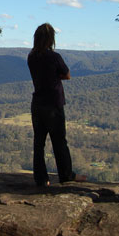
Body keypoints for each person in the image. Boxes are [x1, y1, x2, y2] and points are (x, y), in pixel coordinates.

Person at [27, 23, 86, 187]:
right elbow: (67, 75)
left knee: (39, 142)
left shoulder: (31, 57)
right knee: (59, 142)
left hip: (37, 103)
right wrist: (55, 75)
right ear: (50, 39)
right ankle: (66, 176)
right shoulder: (54, 57)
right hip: (53, 104)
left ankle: (41, 178)